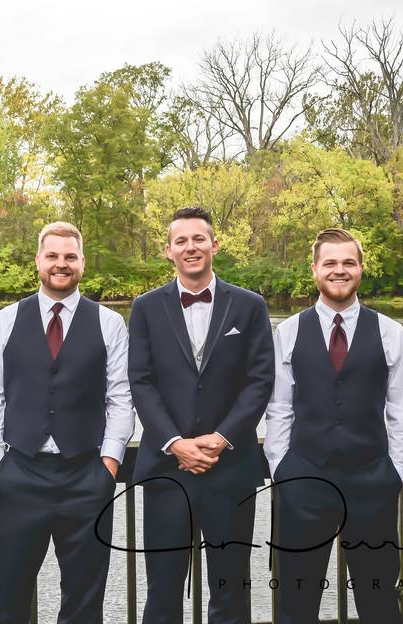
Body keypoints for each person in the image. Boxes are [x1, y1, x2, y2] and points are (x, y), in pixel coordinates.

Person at [0, 221, 135, 624]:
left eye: (70, 257)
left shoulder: (109, 323)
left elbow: (121, 398)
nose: (60, 264)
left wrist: (110, 463)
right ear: (38, 261)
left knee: (84, 600)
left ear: (82, 263)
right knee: (8, 597)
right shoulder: (6, 319)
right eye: (53, 256)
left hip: (86, 476)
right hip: (20, 473)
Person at [264, 228, 403, 623]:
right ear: (315, 269)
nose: (340, 270)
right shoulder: (287, 332)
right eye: (330, 263)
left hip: (372, 481)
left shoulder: (390, 332)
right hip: (303, 480)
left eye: (348, 262)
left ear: (361, 268)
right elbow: (278, 407)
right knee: (296, 601)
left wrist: (396, 471)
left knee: (379, 598)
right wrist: (282, 470)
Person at [129, 206, 275, 624]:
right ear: (168, 250)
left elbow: (260, 380)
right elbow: (141, 382)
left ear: (214, 244)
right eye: (181, 241)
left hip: (231, 470)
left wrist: (223, 437)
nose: (190, 247)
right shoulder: (146, 307)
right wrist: (175, 442)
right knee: (162, 590)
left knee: (230, 590)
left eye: (198, 239)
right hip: (165, 471)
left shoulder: (249, 306)